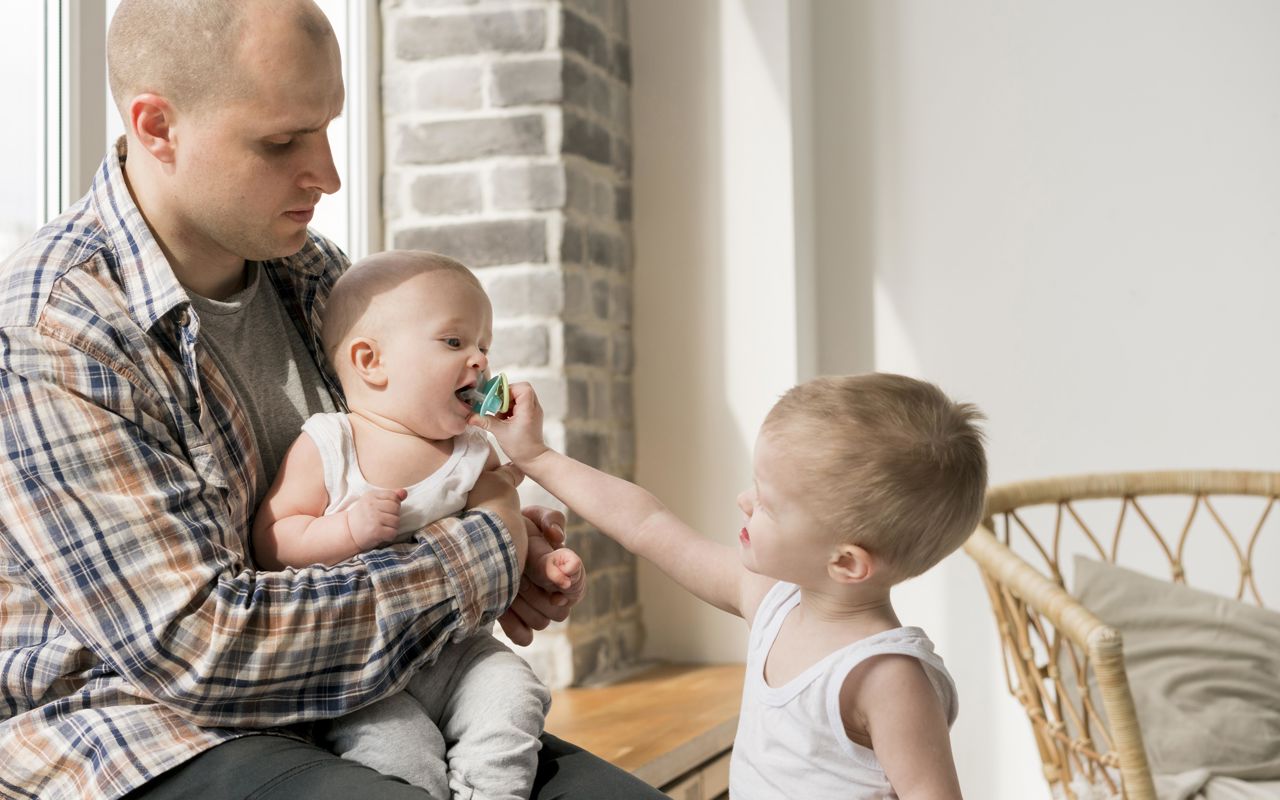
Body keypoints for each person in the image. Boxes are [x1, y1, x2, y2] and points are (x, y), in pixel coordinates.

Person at [0, 1, 664, 798]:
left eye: (327, 128)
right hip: (148, 733)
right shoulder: (53, 332)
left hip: (371, 689)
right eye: (282, 142)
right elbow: (203, 650)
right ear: (156, 127)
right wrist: (482, 550)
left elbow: (445, 424)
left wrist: (511, 541)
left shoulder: (315, 274)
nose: (328, 174)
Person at [476, 373, 988, 799]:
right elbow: (647, 525)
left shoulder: (888, 678)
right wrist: (538, 456)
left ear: (846, 562)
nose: (745, 501)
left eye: (767, 503)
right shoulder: (773, 600)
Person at [253, 250, 584, 800]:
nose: (479, 360)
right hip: (364, 674)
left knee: (514, 691)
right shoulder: (332, 443)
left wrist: (540, 554)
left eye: (484, 346)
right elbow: (272, 538)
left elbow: (498, 532)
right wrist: (345, 533)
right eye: (455, 343)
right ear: (371, 362)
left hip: (458, 651)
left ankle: (492, 793)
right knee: (398, 751)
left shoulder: (473, 452)